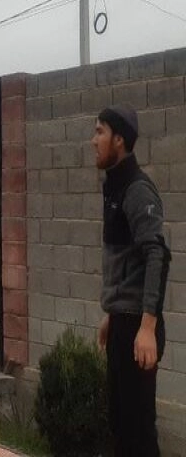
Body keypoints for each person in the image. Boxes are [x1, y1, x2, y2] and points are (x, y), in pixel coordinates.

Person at [91, 104, 172, 457]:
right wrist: (113, 313)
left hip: (139, 329)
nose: (93, 140)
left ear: (119, 140)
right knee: (121, 430)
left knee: (139, 435)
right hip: (123, 322)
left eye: (100, 132)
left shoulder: (137, 189)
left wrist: (147, 327)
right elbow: (127, 262)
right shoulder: (115, 187)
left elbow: (157, 256)